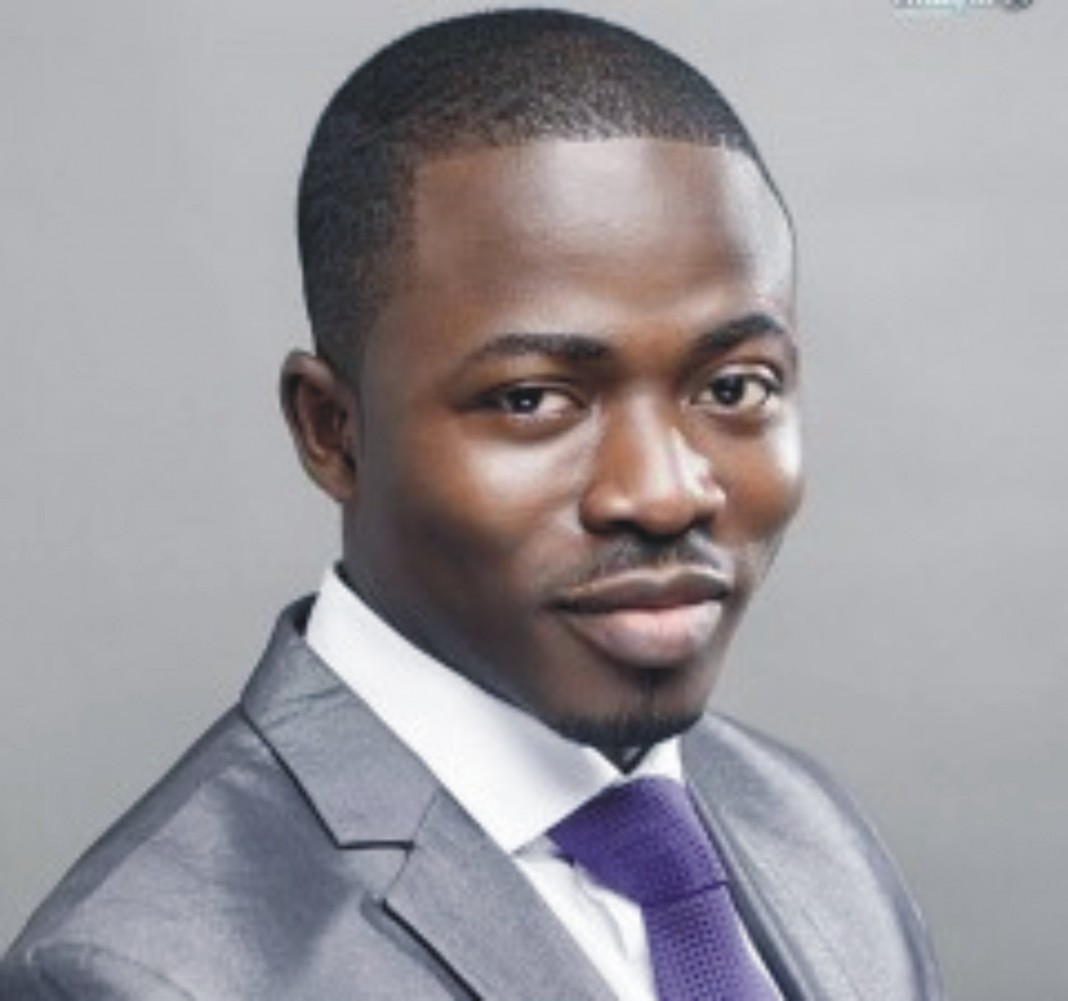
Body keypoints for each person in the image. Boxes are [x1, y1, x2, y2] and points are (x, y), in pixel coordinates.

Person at [0, 9, 944, 1000]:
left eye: (734, 386)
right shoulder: (141, 975)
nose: (664, 493)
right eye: (532, 399)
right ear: (332, 430)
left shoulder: (813, 831)